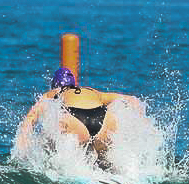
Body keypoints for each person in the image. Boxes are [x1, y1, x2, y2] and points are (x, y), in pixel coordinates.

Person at [15, 67, 146, 163]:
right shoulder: (91, 91)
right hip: (105, 121)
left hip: (76, 123)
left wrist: (23, 142)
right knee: (105, 160)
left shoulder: (53, 93)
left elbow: (31, 117)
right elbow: (132, 100)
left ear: (55, 85)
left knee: (52, 131)